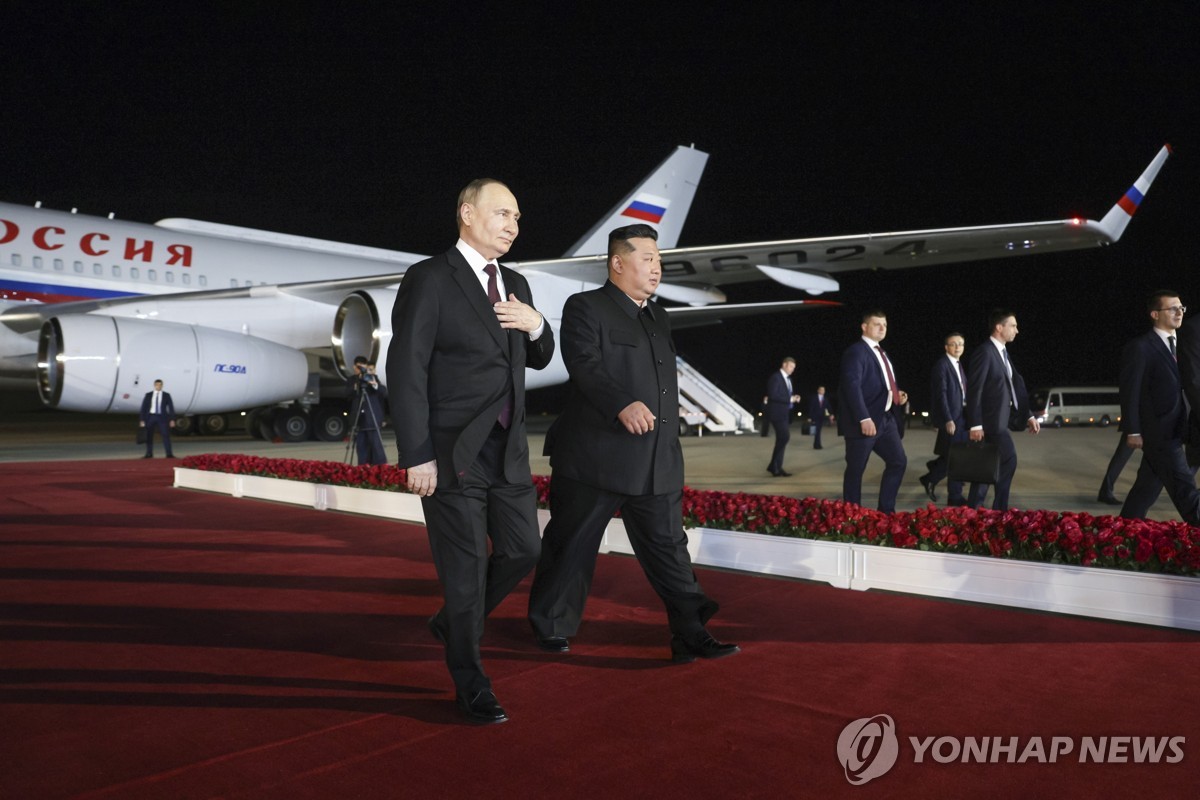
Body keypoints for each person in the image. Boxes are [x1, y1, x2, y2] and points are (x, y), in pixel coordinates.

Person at [527, 224, 738, 665]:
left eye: (659, 261)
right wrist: (622, 403)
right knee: (571, 546)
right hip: (595, 457)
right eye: (648, 260)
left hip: (654, 460)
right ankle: (552, 626)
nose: (657, 268)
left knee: (669, 549)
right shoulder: (586, 307)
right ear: (618, 263)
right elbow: (584, 363)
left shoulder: (657, 316)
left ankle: (690, 632)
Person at [386, 178, 555, 725]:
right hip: (452, 451)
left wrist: (537, 325)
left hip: (507, 452)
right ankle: (471, 681)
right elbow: (406, 369)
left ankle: (455, 620)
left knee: (525, 549)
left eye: (518, 216)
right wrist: (416, 453)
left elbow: (540, 357)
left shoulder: (518, 283)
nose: (513, 224)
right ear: (466, 212)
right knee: (464, 572)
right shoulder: (431, 278)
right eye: (502, 212)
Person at [1117, 291, 1200, 525]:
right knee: (1185, 488)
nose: (1179, 312)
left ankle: (1124, 530)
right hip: (1159, 431)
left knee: (1146, 489)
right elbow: (1129, 391)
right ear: (1155, 314)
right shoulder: (1141, 347)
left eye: (1182, 308)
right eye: (1172, 308)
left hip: (1177, 427)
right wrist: (1132, 430)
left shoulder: (1182, 345)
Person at [965, 310, 1040, 510]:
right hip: (991, 423)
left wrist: (1029, 415)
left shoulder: (1002, 353)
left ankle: (973, 509)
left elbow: (1015, 386)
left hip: (998, 421)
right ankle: (1000, 509)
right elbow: (974, 390)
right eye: (1013, 326)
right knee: (1009, 459)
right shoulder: (985, 352)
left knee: (985, 465)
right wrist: (975, 424)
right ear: (999, 327)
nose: (1017, 330)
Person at [837, 310, 908, 512]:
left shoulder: (881, 353)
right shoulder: (856, 352)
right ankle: (852, 514)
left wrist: (896, 395)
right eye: (877, 324)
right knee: (856, 470)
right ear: (864, 327)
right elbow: (852, 386)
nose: (882, 328)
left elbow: (881, 385)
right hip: (866, 421)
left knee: (898, 462)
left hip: (886, 420)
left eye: (884, 324)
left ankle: (886, 511)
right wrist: (864, 417)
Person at [919, 333, 968, 505]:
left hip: (961, 417)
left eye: (961, 344)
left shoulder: (957, 364)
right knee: (956, 458)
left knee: (954, 456)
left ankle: (932, 473)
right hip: (952, 419)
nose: (957, 347)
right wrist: (948, 419)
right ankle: (954, 496)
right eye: (953, 344)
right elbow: (941, 395)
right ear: (946, 347)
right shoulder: (942, 365)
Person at [347, 355, 388, 465]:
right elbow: (348, 394)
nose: (361, 369)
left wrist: (374, 384)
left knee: (376, 447)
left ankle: (380, 469)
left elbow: (383, 392)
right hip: (359, 419)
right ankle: (363, 469)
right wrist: (357, 385)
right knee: (361, 448)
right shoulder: (352, 380)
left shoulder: (371, 377)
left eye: (363, 367)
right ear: (354, 367)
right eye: (358, 367)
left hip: (372, 418)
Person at [764, 357, 801, 476]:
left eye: (794, 368)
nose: (792, 370)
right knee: (784, 437)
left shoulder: (788, 379)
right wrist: (790, 399)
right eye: (791, 367)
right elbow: (773, 395)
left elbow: (785, 394)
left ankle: (776, 467)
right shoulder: (776, 377)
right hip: (777, 413)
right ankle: (774, 465)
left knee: (782, 438)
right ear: (784, 364)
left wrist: (794, 397)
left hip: (784, 413)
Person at [138, 379, 176, 458]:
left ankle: (169, 453)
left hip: (162, 417)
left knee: (165, 435)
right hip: (151, 417)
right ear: (154, 385)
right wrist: (142, 419)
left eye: (160, 385)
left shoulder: (166, 395)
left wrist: (172, 419)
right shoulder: (148, 395)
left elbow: (171, 407)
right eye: (157, 385)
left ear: (162, 385)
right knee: (149, 435)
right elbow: (143, 408)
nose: (158, 386)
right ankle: (149, 453)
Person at [1096, 435, 1134, 505]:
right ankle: (1105, 492)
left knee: (1120, 459)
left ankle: (1105, 492)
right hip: (1140, 430)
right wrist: (1133, 433)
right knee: (1120, 459)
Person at [807, 385, 830, 449]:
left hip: (821, 417)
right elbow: (811, 408)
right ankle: (817, 445)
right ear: (818, 390)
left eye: (824, 390)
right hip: (815, 416)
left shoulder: (825, 398)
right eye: (821, 390)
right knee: (817, 431)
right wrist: (809, 417)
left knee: (818, 431)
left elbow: (828, 407)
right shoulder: (814, 398)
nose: (823, 391)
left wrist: (831, 414)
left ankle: (816, 444)